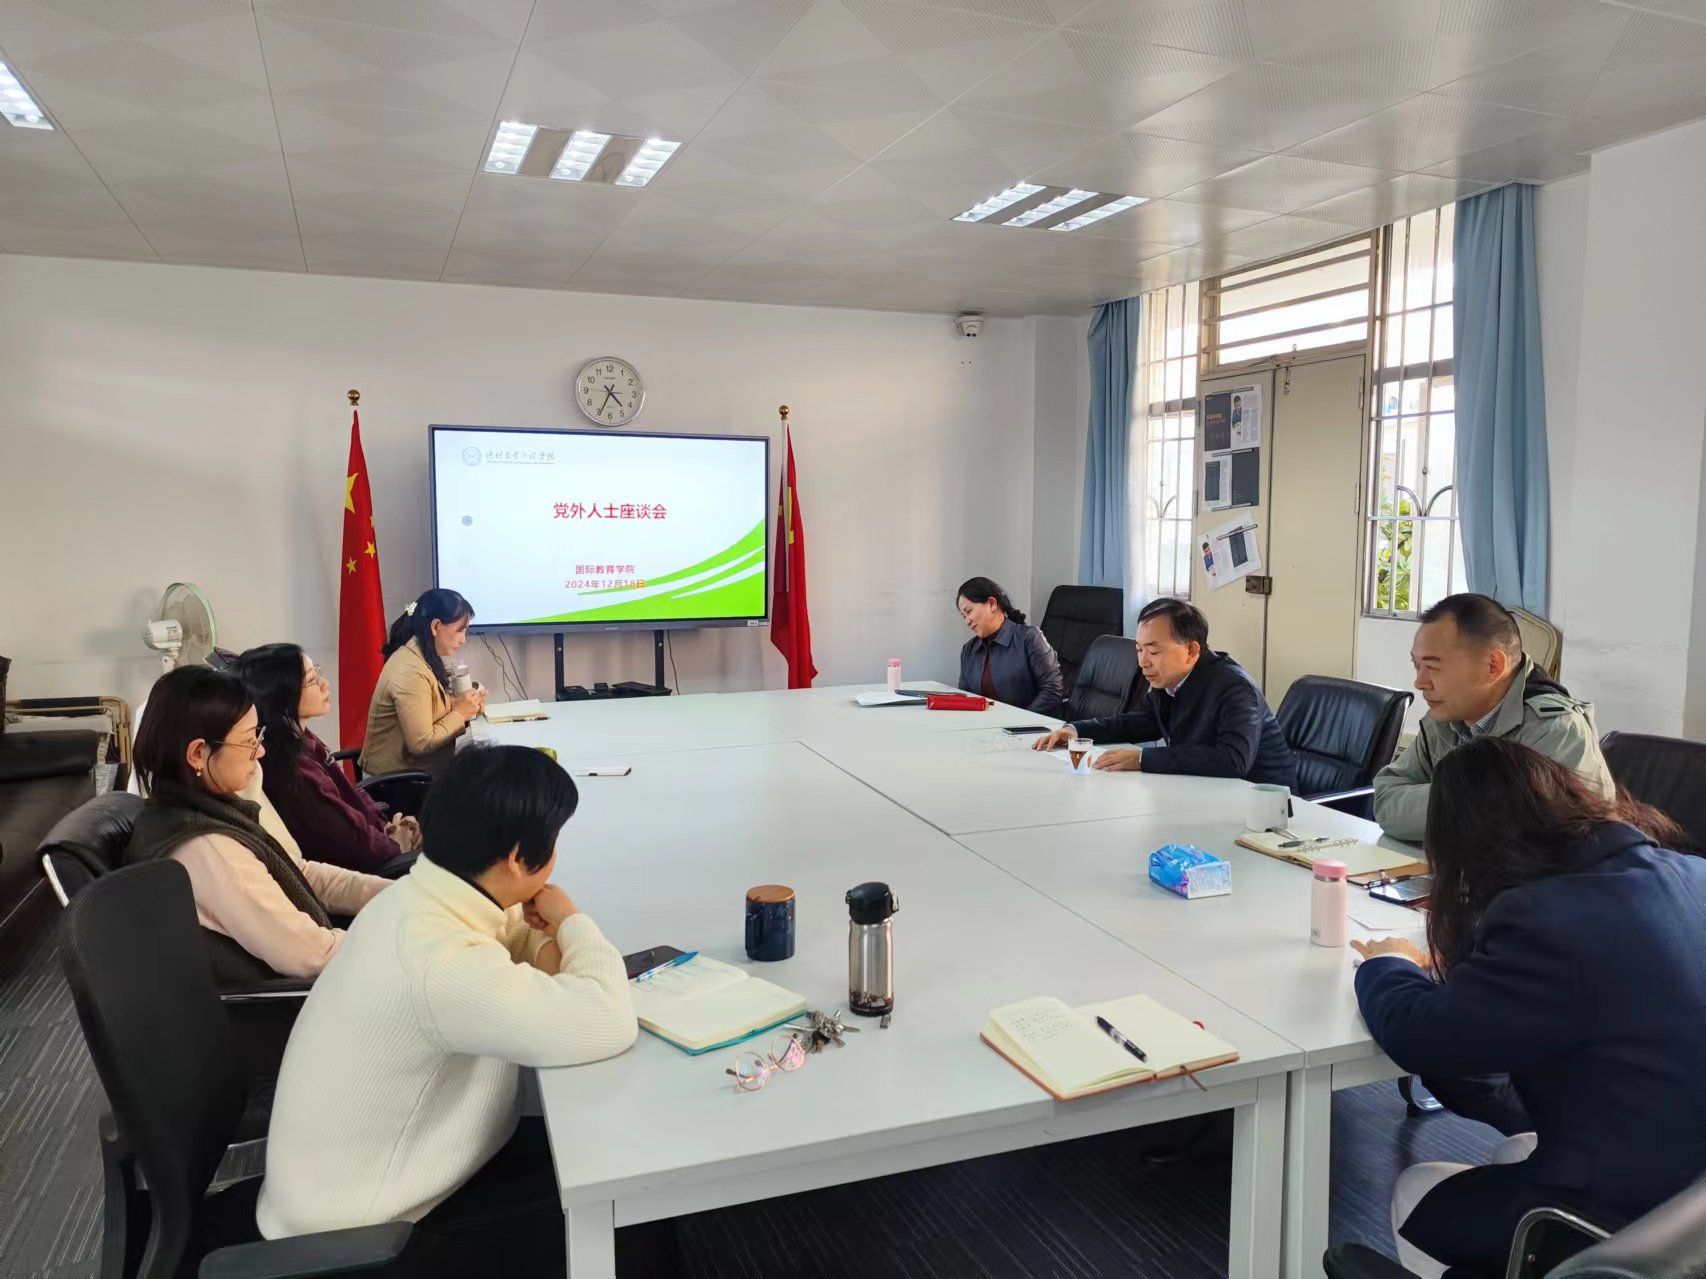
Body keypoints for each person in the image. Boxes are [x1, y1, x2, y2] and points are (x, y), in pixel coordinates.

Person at [256, 744, 637, 1270]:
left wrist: (547, 943)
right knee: (634, 1226)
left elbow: (513, 934)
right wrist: (571, 921)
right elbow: (609, 1017)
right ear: (517, 859)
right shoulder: (439, 964)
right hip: (367, 1241)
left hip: (346, 1193)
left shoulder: (415, 899)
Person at [1351, 738, 1706, 1279]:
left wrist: (1388, 963)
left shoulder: (1545, 920)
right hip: (1691, 1204)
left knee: (1417, 1190)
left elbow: (1420, 1035)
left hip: (1633, 1222)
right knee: (1516, 1149)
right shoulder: (1691, 873)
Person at [125, 666, 389, 983]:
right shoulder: (207, 847)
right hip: (294, 1003)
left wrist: (393, 894)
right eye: (249, 740)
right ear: (197, 753)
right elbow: (309, 954)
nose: (260, 751)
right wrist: (398, 939)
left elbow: (298, 872)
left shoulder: (203, 809)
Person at [1373, 593, 1612, 841]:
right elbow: (1386, 802)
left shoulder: (1555, 730)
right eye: (1417, 666)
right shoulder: (1442, 720)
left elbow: (1543, 842)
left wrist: (1445, 807)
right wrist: (1474, 800)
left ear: (1493, 665)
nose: (1420, 682)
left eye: (1433, 667)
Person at [1033, 597, 1296, 786]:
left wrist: (1143, 759)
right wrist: (1077, 731)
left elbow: (1232, 760)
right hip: (1204, 793)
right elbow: (1137, 723)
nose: (1143, 662)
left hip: (1264, 809)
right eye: (1139, 650)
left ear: (1191, 650)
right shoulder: (1168, 681)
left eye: (1154, 651)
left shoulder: (1234, 687)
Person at [237, 642, 419, 877]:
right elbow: (358, 846)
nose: (325, 684)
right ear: (282, 696)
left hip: (378, 837)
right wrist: (397, 842)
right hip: (375, 872)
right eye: (313, 680)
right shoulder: (295, 776)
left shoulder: (293, 737)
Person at [362, 588, 485, 779]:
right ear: (435, 626)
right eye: (460, 630)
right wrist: (460, 714)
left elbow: (429, 710)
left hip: (414, 775)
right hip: (397, 785)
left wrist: (467, 706)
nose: (463, 640)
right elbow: (421, 742)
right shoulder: (410, 671)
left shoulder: (420, 655)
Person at [955, 576, 1064, 715]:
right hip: (985, 725)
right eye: (963, 616)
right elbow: (965, 697)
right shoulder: (969, 650)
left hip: (1029, 725)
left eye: (969, 611)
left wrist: (1018, 722)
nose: (967, 621)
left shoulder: (1030, 638)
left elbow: (1053, 691)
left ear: (992, 604)